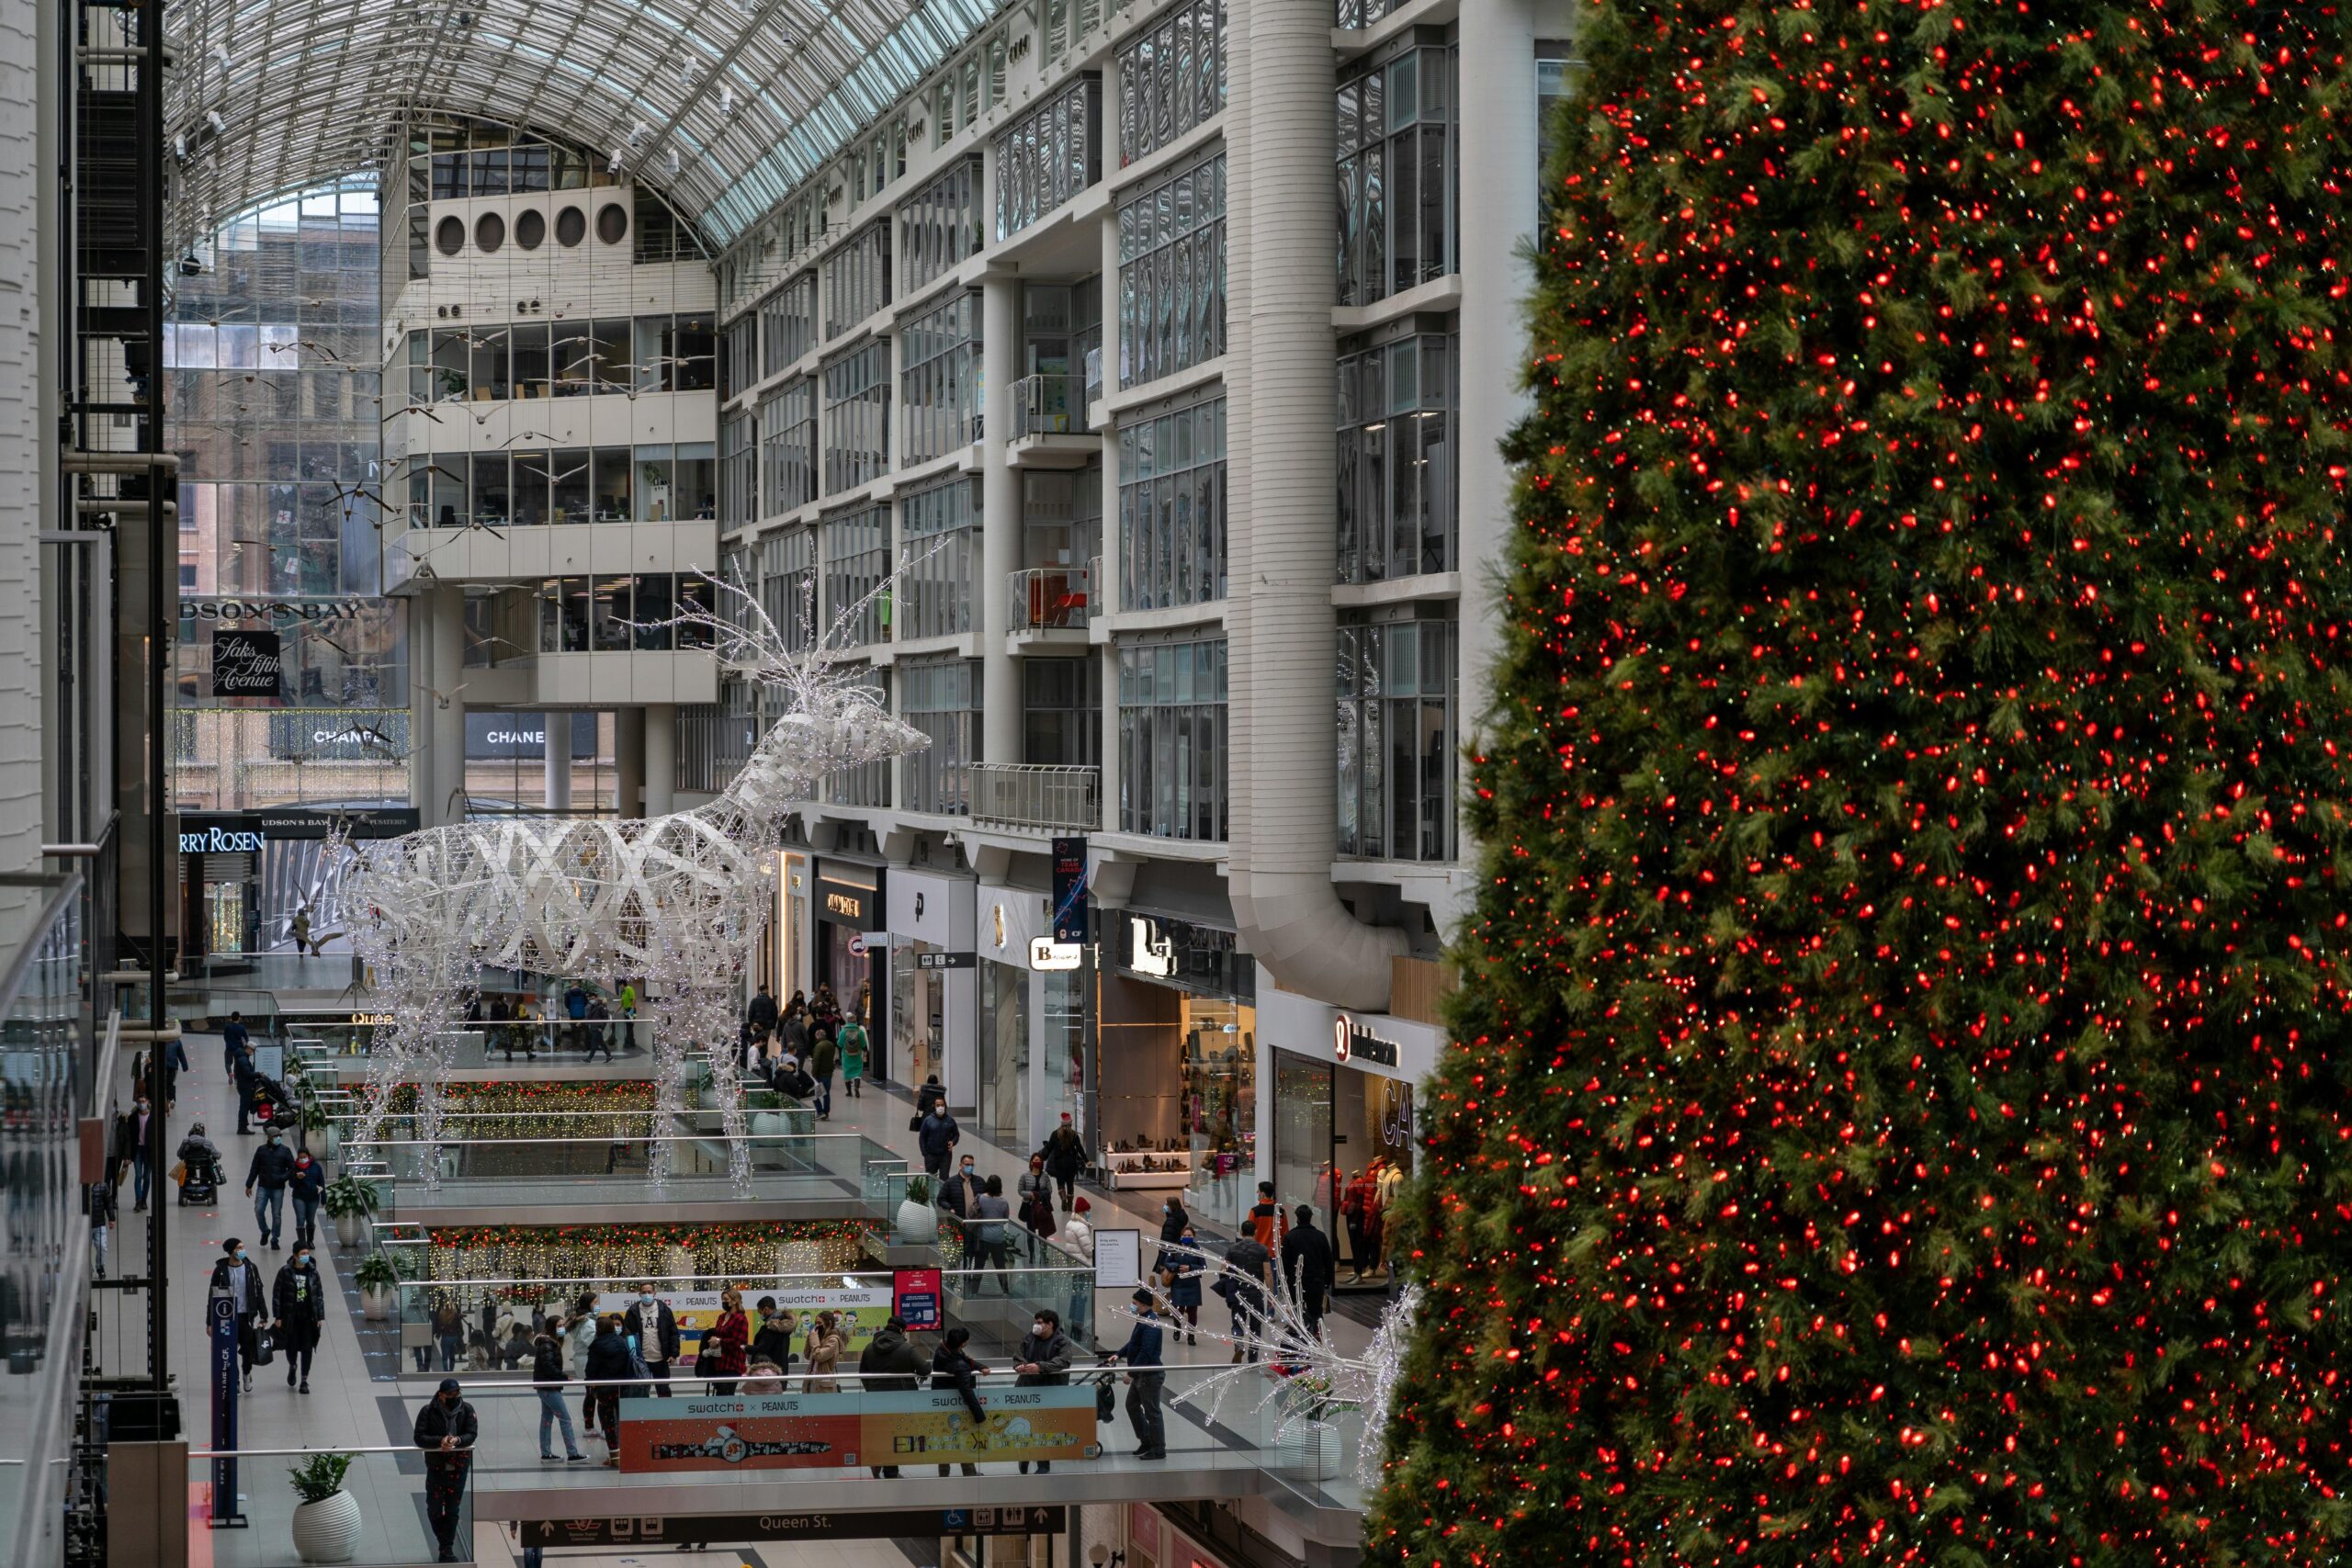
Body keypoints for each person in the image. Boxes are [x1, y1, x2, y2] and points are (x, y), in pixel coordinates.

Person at [413, 1378, 479, 1561]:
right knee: (434, 1508)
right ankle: (444, 1542)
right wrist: (440, 1441)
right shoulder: (428, 1411)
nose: (454, 1397)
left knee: (452, 1509)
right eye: (450, 1394)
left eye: (457, 1393)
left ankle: (446, 1548)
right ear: (441, 1395)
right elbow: (419, 1437)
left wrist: (457, 1440)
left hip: (459, 1466)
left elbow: (472, 1434)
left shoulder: (467, 1409)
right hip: (437, 1466)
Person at [856, 1314, 926, 1476]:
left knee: (880, 1432)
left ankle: (877, 1464)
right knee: (895, 1432)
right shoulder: (907, 1349)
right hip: (900, 1400)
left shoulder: (869, 1348)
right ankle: (891, 1469)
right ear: (902, 1331)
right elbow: (924, 1368)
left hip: (876, 1400)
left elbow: (863, 1373)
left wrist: (872, 1389)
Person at [1107, 1287, 1168, 1459]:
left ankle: (1158, 1449)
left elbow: (1146, 1352)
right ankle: (1146, 1440)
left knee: (1152, 1412)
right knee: (1132, 1406)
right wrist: (1119, 1354)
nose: (1132, 1305)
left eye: (1134, 1303)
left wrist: (1131, 1373)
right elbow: (1133, 1343)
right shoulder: (1143, 1319)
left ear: (1144, 1304)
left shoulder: (1151, 1324)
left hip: (1149, 1375)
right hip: (1141, 1374)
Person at [1012, 1308, 1075, 1474]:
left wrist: (1040, 1367)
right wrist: (1020, 1365)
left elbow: (1063, 1361)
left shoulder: (1062, 1342)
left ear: (1050, 1324)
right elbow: (1018, 1356)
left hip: (1049, 1391)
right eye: (1035, 1322)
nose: (1036, 1325)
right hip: (1027, 1389)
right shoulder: (1029, 1338)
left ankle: (1043, 1464)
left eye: (1039, 1323)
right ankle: (1025, 1456)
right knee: (1025, 1425)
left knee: (1044, 1427)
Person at [208, 1238, 267, 1393]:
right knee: (230, 1352)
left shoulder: (250, 1268)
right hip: (227, 1318)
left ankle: (247, 1373)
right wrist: (210, 1322)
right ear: (230, 1251)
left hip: (246, 1317)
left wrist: (264, 1316)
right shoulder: (220, 1271)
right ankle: (234, 1381)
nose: (242, 1250)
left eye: (243, 1247)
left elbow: (258, 1291)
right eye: (238, 1248)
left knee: (247, 1350)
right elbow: (212, 1296)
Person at [272, 1241, 328, 1393]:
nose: (306, 1256)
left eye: (307, 1253)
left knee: (307, 1348)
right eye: (303, 1254)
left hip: (308, 1317)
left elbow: (319, 1295)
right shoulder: (285, 1272)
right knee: (291, 1346)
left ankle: (304, 1380)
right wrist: (278, 1316)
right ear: (295, 1256)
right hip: (291, 1316)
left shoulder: (313, 1272)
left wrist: (320, 1317)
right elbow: (277, 1295)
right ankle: (293, 1365)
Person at [931, 1325, 986, 1476]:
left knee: (944, 1437)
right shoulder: (959, 1365)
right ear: (963, 1344)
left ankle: (944, 1474)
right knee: (964, 1434)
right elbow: (966, 1390)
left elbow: (965, 1360)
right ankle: (969, 1472)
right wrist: (979, 1414)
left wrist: (981, 1367)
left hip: (940, 1400)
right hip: (957, 1402)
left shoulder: (943, 1349)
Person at [1280, 1204, 1336, 1345]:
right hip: (1316, 1280)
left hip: (1296, 1281)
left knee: (1297, 1309)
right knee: (1316, 1311)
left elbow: (1284, 1262)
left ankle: (1299, 1338)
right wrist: (1328, 1279)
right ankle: (1317, 1335)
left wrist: (1283, 1283)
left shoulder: (1290, 1236)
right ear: (1311, 1218)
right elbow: (1328, 1260)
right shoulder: (1320, 1236)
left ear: (1297, 1218)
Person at [583, 1314, 634, 1465]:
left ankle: (614, 1456)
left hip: (604, 1389)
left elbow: (591, 1370)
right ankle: (627, 1452)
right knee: (622, 1420)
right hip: (621, 1387)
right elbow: (627, 1363)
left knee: (609, 1422)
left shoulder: (596, 1346)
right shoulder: (621, 1342)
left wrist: (591, 1383)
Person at [532, 1321, 585, 1461]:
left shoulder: (548, 1343)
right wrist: (563, 1377)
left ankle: (546, 1453)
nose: (562, 1328)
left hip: (546, 1386)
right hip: (549, 1387)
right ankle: (572, 1453)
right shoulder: (547, 1344)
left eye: (563, 1325)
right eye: (559, 1326)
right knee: (565, 1418)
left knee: (546, 1419)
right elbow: (548, 1366)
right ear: (552, 1327)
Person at [1216, 1235, 1273, 1363]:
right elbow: (1267, 1273)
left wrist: (1225, 1283)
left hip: (1238, 1293)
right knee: (1255, 1327)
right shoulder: (1262, 1249)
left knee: (1237, 1323)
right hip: (1256, 1294)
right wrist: (1270, 1295)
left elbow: (1224, 1269)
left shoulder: (1232, 1249)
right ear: (1255, 1232)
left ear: (1241, 1232)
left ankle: (1239, 1344)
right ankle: (1253, 1358)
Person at [244, 1126, 296, 1248]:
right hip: (263, 1186)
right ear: (269, 1137)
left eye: (279, 1136)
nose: (278, 1138)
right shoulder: (261, 1150)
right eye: (275, 1136)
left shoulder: (285, 1150)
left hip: (278, 1188)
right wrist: (249, 1184)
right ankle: (265, 1230)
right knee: (258, 1210)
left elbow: (292, 1168)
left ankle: (275, 1238)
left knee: (276, 1214)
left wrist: (282, 1178)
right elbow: (254, 1168)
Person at [626, 1284, 679, 1395]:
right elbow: (627, 1335)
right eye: (644, 1292)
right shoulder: (632, 1311)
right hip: (641, 1360)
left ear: (655, 1293)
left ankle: (665, 1407)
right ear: (639, 1294)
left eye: (649, 1292)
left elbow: (673, 1333)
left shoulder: (664, 1310)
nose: (647, 1295)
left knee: (663, 1390)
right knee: (641, 1391)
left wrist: (673, 1354)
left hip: (661, 1358)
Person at [967, 1175, 1013, 1295]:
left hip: (983, 1237)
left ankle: (974, 1291)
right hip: (998, 1237)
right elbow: (1005, 1219)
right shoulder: (1004, 1202)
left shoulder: (981, 1198)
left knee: (979, 1265)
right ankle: (1005, 1291)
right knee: (1000, 1266)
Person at [701, 1287, 750, 1394]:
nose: (723, 1302)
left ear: (735, 1301)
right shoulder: (721, 1317)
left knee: (726, 1394)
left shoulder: (740, 1318)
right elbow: (717, 1334)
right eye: (722, 1299)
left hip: (733, 1363)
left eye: (726, 1299)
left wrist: (719, 1341)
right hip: (718, 1362)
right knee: (719, 1395)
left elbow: (738, 1342)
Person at [114, 1091, 154, 1213]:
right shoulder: (132, 1118)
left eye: (143, 1101)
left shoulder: (153, 1118)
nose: (142, 1104)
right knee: (138, 1175)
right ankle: (138, 1200)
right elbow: (129, 1137)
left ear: (148, 1102)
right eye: (139, 1102)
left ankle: (144, 1200)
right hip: (137, 1150)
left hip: (149, 1150)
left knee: (147, 1177)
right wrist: (127, 1155)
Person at [1166, 1226, 1204, 1344]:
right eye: (1185, 1236)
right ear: (1181, 1236)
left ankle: (1191, 1336)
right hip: (1178, 1284)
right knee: (1178, 1310)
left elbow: (1203, 1267)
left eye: (1189, 1236)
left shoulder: (1198, 1249)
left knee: (1192, 1313)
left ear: (1194, 1236)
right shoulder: (1174, 1248)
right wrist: (1177, 1267)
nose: (1187, 1237)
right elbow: (1167, 1262)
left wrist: (1190, 1268)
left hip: (1193, 1285)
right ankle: (1177, 1328)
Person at [1042, 1112, 1086, 1209]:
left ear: (1061, 1124)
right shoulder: (1074, 1135)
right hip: (1071, 1163)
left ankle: (1063, 1198)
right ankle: (1070, 1204)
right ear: (1070, 1124)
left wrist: (1042, 1156)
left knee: (1060, 1183)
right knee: (1070, 1183)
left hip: (1059, 1163)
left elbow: (1049, 1148)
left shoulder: (1055, 1134)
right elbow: (1079, 1148)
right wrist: (1086, 1160)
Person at [1018, 1154, 1057, 1263]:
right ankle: (1032, 1254)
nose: (1037, 1162)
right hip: (1029, 1207)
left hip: (1042, 1208)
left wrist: (1040, 1195)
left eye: (1039, 1160)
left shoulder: (1045, 1176)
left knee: (1043, 1233)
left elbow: (1050, 1190)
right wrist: (1030, 1194)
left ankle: (1043, 1254)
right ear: (1031, 1162)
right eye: (1035, 1160)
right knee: (1030, 1233)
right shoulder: (1024, 1176)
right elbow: (1020, 1191)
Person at [288, 1146, 327, 1250]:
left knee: (310, 1220)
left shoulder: (316, 1166)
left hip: (313, 1197)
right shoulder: (294, 1167)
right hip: (299, 1196)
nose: (302, 1159)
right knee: (300, 1218)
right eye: (300, 1157)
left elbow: (321, 1182)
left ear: (308, 1156)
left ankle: (310, 1240)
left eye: (304, 1157)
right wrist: (298, 1178)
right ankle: (302, 1243)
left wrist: (323, 1197)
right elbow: (291, 1184)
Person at [752, 1297, 797, 1377]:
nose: (760, 1315)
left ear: (766, 1309)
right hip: (779, 1368)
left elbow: (764, 1347)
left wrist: (747, 1348)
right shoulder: (782, 1325)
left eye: (760, 1312)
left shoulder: (773, 1326)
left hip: (769, 1369)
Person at [916, 1102, 960, 1182]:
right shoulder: (928, 1120)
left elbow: (956, 1135)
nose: (940, 1107)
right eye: (938, 1105)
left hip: (945, 1155)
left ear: (945, 1106)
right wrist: (925, 1153)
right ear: (934, 1106)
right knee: (930, 1180)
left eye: (942, 1105)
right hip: (931, 1155)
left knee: (944, 1179)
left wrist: (953, 1142)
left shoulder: (950, 1120)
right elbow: (922, 1137)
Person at [803, 1311, 843, 1392]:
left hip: (824, 1384)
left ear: (828, 1324)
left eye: (819, 1323)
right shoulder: (819, 1338)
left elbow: (819, 1356)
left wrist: (814, 1339)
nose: (817, 1326)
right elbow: (807, 1355)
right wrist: (810, 1338)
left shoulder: (833, 1341)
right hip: (812, 1381)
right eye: (815, 1323)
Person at [1247, 1180, 1289, 1252]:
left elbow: (1249, 1234)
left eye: (1258, 1192)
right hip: (1275, 1253)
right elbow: (1285, 1234)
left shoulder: (1254, 1211)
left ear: (1263, 1194)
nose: (1257, 1193)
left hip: (1258, 1252)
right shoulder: (1281, 1212)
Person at [807, 1025, 837, 1119]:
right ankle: (826, 1112)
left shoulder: (819, 1046)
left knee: (814, 1094)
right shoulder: (830, 1044)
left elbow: (816, 1061)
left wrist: (813, 1074)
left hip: (820, 1074)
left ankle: (820, 1111)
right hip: (829, 1073)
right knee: (826, 1094)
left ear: (818, 1036)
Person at [1156, 1195, 1191, 1274]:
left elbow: (1166, 1242)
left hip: (1168, 1256)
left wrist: (1161, 1262)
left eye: (1166, 1204)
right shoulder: (1181, 1217)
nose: (1164, 1206)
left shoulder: (1171, 1221)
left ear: (1171, 1206)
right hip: (1177, 1252)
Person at [232, 1041, 262, 1134]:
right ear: (248, 1049)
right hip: (245, 1086)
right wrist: (258, 1074)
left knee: (244, 1107)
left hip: (243, 1085)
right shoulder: (243, 1059)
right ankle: (242, 1128)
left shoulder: (243, 1057)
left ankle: (243, 1126)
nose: (253, 1053)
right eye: (253, 1050)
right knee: (244, 1108)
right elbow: (248, 1074)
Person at [837, 1013, 867, 1099]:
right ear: (855, 1022)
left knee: (847, 1073)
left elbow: (839, 1044)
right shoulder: (860, 1031)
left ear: (848, 1021)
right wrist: (865, 1051)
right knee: (857, 1072)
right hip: (857, 1055)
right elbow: (863, 1045)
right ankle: (856, 1087)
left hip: (846, 1055)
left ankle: (849, 1092)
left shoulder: (843, 1031)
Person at [432, 1299, 467, 1372]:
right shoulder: (455, 1315)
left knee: (445, 1357)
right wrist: (460, 1335)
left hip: (445, 1337)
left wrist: (437, 1334)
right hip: (454, 1337)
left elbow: (438, 1326)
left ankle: (446, 1371)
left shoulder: (441, 1315)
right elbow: (460, 1328)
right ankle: (451, 1370)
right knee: (452, 1356)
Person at [942, 1154, 978, 1222]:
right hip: (958, 1220)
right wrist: (950, 1208)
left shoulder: (979, 1181)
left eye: (972, 1165)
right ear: (960, 1165)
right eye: (967, 1165)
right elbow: (941, 1199)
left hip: (975, 1222)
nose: (970, 1167)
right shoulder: (950, 1182)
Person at [582, 994, 613, 1062]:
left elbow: (605, 1019)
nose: (592, 1000)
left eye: (593, 999)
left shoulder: (602, 1007)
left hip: (597, 1028)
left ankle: (589, 1058)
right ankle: (609, 1056)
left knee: (594, 1043)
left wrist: (601, 1028)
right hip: (593, 1027)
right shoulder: (593, 1007)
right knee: (601, 1043)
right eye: (591, 999)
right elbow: (589, 1016)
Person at [221, 1010, 250, 1079]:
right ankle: (236, 1078)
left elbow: (225, 1037)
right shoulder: (241, 1028)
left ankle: (230, 1073)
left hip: (229, 1048)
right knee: (237, 1064)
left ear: (231, 1018)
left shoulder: (227, 1027)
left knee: (228, 1063)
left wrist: (228, 1043)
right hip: (238, 1049)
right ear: (239, 1018)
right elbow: (246, 1038)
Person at [563, 982, 590, 1055]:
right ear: (578, 985)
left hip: (573, 1014)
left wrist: (571, 1008)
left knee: (574, 1030)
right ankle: (583, 1044)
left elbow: (566, 1004)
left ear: (572, 985)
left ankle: (574, 1045)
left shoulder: (568, 993)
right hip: (582, 1014)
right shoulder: (583, 992)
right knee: (583, 1030)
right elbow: (586, 1002)